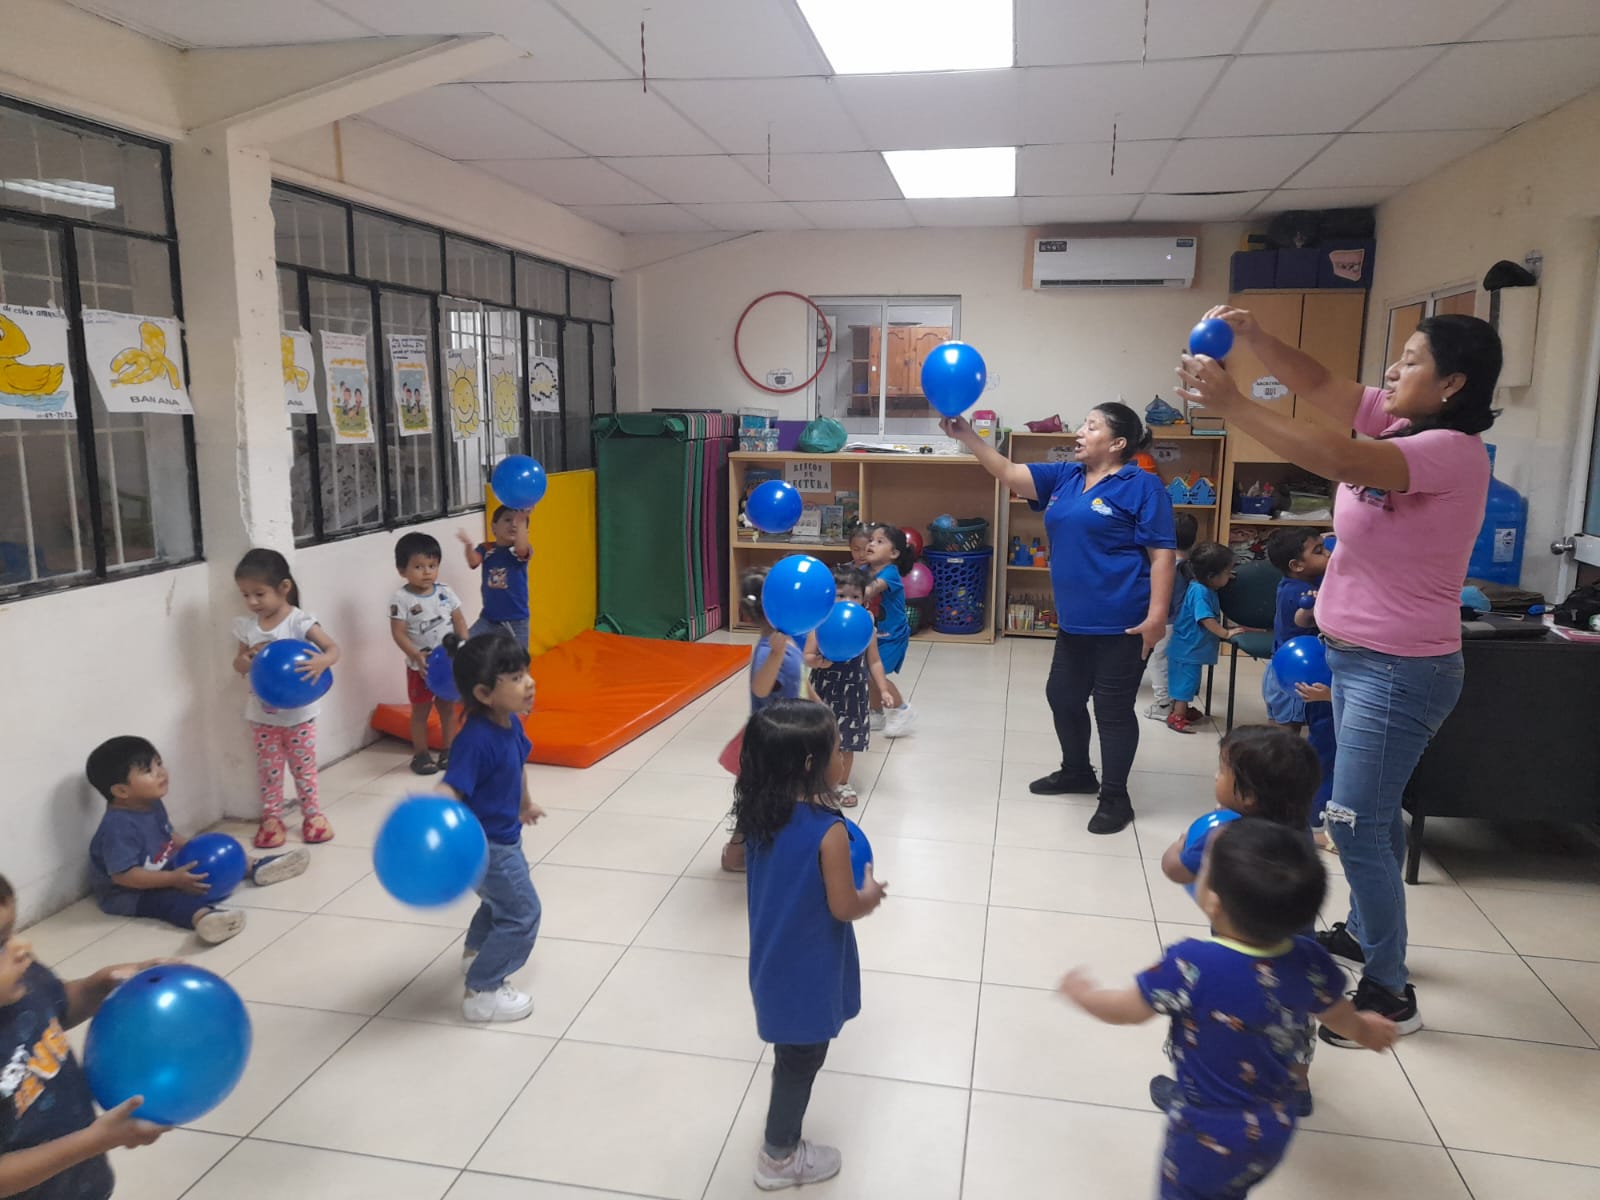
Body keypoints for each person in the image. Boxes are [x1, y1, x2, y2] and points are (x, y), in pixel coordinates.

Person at [1177, 309, 1502, 1038]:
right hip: (1356, 657)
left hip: (1402, 668)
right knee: (1371, 816)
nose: (1393, 370)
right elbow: (1323, 384)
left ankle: (1389, 991)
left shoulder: (1450, 452)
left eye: (1411, 360)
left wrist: (1233, 405)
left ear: (1452, 383)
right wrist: (1259, 338)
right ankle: (1363, 931)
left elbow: (1338, 458)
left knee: (1353, 823)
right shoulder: (1398, 422)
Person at [1059, 820, 1397, 1199]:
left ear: (1214, 902)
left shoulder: (1190, 965)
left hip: (1206, 1132)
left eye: (1205, 867)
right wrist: (1368, 1031)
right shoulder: (1310, 961)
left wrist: (1085, 995)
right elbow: (1341, 1017)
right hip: (1274, 1125)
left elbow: (1127, 1011)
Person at [944, 404, 1176, 834]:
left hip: (1123, 620)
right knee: (1063, 697)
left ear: (1118, 443)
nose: (1080, 432)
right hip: (1074, 620)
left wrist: (1157, 617)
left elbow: (1162, 554)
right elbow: (1009, 473)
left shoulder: (1142, 486)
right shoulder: (1066, 476)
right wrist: (968, 437)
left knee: (1112, 709)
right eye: (1083, 424)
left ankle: (1115, 797)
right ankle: (1077, 772)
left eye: (1092, 426)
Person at [733, 700, 886, 1190]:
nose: (843, 757)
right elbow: (843, 907)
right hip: (809, 970)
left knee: (791, 1055)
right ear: (808, 765)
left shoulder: (760, 815)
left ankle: (781, 1145)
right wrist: (870, 895)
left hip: (773, 961)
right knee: (800, 1063)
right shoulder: (829, 833)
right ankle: (778, 1158)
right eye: (838, 749)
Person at [1158, 725, 1323, 1115]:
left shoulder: (1223, 834)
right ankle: (1296, 1087)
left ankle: (1200, 1093)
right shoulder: (1299, 831)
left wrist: (1181, 843)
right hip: (1297, 950)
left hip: (1235, 958)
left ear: (1247, 796)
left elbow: (1175, 870)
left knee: (1220, 1024)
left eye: (1222, 771)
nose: (1215, 776)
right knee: (1295, 1017)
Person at [0, 872, 171, 1200]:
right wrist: (96, 1140)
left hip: (81, 1178)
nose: (22, 947)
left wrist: (101, 986)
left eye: (12, 931)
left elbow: (58, 1006)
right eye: (0, 943)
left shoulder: (24, 981)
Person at [84, 737, 308, 946]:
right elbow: (124, 876)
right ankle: (205, 918)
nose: (161, 773)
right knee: (171, 900)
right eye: (148, 771)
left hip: (162, 869)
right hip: (130, 892)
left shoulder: (150, 803)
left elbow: (167, 835)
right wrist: (172, 879)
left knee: (215, 851)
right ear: (121, 790)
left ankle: (256, 866)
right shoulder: (118, 827)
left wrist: (196, 849)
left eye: (159, 764)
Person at [437, 633, 544, 1023]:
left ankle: (475, 955)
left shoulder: (509, 723)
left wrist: (524, 805)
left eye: (525, 673)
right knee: (523, 914)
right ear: (483, 693)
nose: (529, 682)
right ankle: (483, 990)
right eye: (515, 678)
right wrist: (433, 810)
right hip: (487, 848)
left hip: (503, 838)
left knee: (498, 902)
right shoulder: (475, 740)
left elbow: (518, 765)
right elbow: (452, 787)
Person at [232, 549, 339, 848]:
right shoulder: (247, 627)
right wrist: (248, 659)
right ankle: (271, 819)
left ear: (284, 588)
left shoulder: (299, 622)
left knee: (304, 768)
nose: (252, 602)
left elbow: (333, 649)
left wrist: (321, 662)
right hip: (261, 715)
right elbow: (238, 665)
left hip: (299, 715)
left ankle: (313, 816)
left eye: (259, 594)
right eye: (245, 595)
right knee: (269, 771)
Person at [720, 568, 807, 874]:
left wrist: (818, 705)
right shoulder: (770, 649)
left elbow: (801, 679)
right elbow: (760, 688)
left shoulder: (786, 640)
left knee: (784, 796)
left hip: (790, 731)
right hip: (770, 738)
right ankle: (736, 855)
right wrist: (776, 656)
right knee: (758, 799)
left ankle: (775, 848)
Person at [1263, 528, 1338, 844]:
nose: (1328, 553)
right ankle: (1276, 800)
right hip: (1292, 675)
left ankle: (1279, 798)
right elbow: (1302, 619)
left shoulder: (1304, 579)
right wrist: (1312, 607)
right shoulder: (1299, 591)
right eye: (1319, 551)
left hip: (1290, 669)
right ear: (1296, 565)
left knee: (1286, 739)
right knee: (1286, 743)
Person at [804, 565, 895, 807]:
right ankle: (816, 781)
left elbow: (874, 660)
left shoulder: (865, 623)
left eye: (854, 596)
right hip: (823, 691)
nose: (848, 601)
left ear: (864, 599)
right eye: (840, 595)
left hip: (853, 692)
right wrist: (818, 662)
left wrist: (883, 689)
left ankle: (842, 783)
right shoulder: (822, 621)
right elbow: (807, 656)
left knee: (847, 741)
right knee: (819, 738)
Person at [389, 531, 469, 775]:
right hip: (420, 668)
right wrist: (415, 654)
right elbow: (398, 633)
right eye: (418, 566)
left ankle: (449, 750)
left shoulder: (445, 592)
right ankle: (421, 754)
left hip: (448, 666)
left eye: (432, 566)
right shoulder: (400, 599)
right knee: (420, 712)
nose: (427, 572)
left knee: (448, 708)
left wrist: (465, 647)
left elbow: (459, 620)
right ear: (402, 570)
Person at [1165, 542, 1241, 734]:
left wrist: (1225, 577)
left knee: (1189, 682)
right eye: (1226, 573)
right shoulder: (1200, 592)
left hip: (1191, 648)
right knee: (1185, 683)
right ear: (1211, 576)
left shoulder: (1203, 585)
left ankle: (1182, 709)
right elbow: (1205, 618)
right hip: (1187, 649)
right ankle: (1177, 716)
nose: (1229, 576)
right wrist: (1225, 633)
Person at [860, 524, 916, 737]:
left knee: (876, 675)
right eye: (870, 540)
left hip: (892, 637)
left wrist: (845, 590)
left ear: (894, 553)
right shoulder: (864, 570)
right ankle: (876, 713)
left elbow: (869, 591)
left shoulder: (890, 573)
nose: (871, 544)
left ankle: (903, 710)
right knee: (867, 674)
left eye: (879, 541)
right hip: (872, 636)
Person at [1146, 512, 1199, 721]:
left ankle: (1163, 704)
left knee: (1157, 661)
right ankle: (1179, 703)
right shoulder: (1194, 566)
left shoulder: (1164, 566)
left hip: (1166, 623)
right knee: (1178, 664)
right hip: (1188, 625)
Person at [457, 505, 531, 648]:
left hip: (516, 620)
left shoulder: (518, 551)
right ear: (494, 527)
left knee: (518, 657)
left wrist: (522, 520)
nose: (514, 524)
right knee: (465, 645)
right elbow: (473, 561)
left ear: (525, 531)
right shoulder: (486, 548)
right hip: (489, 619)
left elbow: (522, 549)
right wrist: (468, 545)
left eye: (519, 522)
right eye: (508, 520)